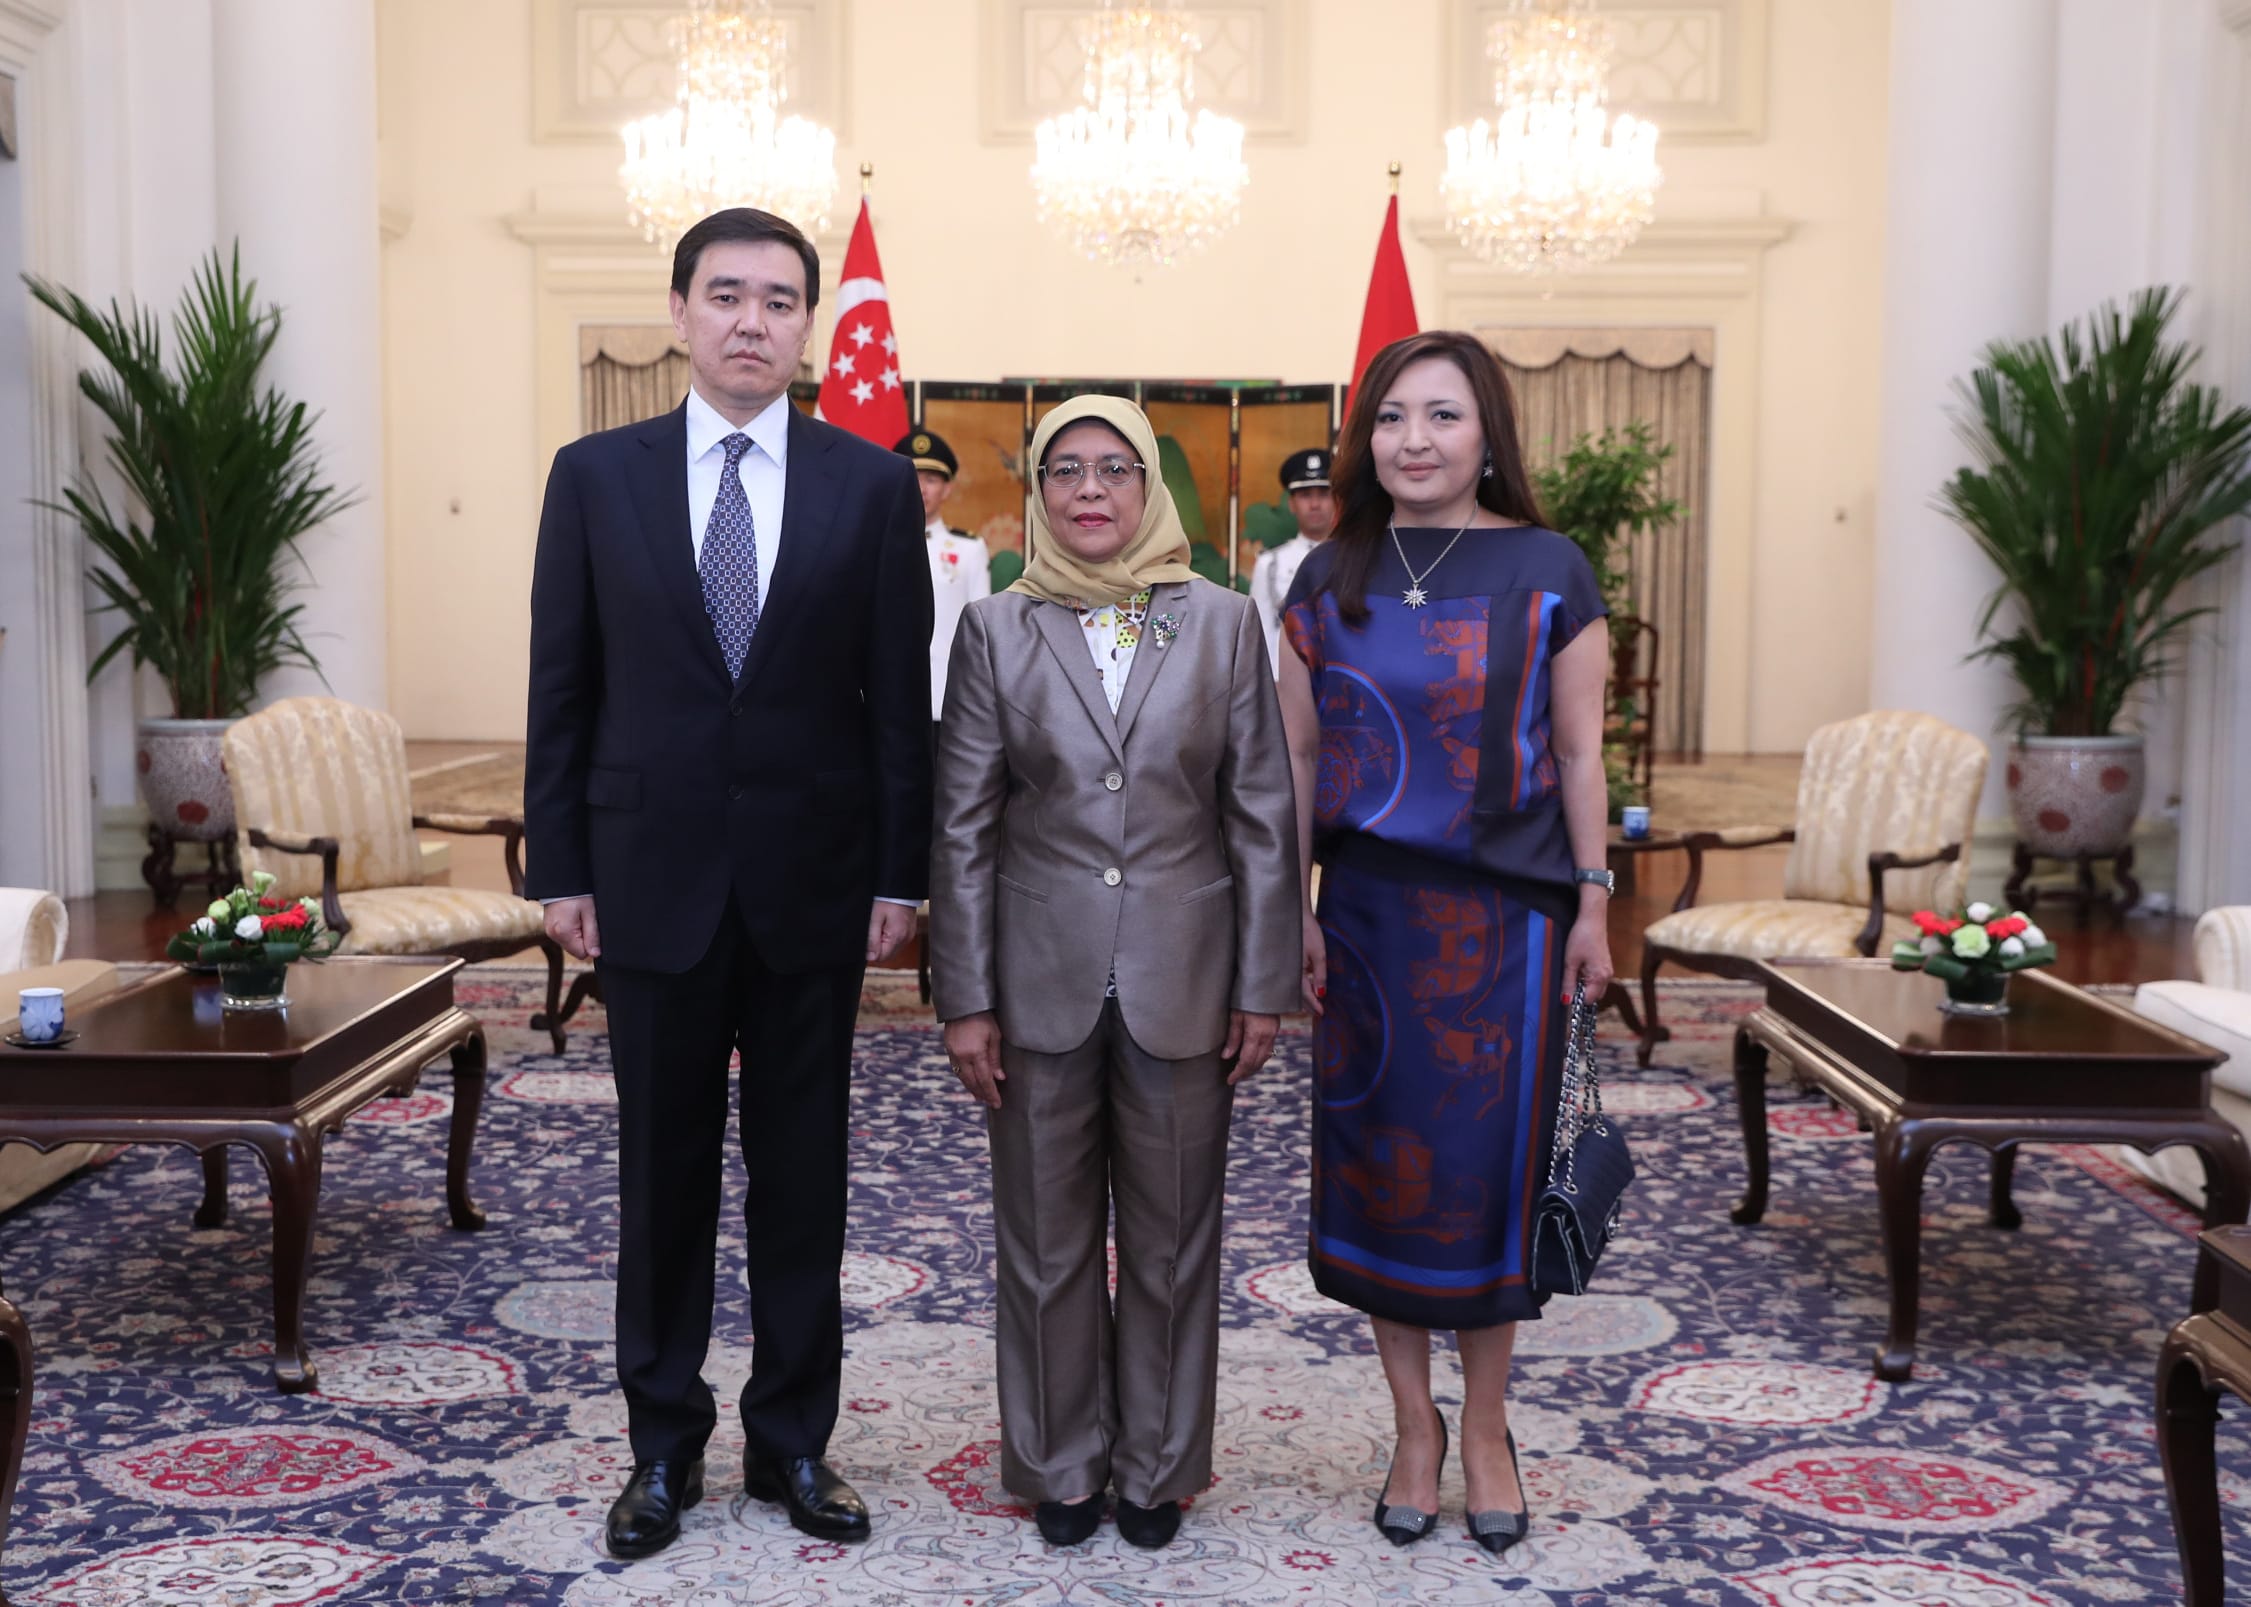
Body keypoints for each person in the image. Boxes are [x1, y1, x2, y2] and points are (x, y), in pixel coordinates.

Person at [524, 206, 932, 1560]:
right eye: (725, 295)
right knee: (662, 1176)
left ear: (806, 326)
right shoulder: (593, 476)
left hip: (815, 881)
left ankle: (794, 1438)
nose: (751, 320)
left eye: (776, 300)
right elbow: (562, 687)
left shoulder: (869, 485)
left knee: (802, 1175)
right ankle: (658, 1444)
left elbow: (894, 707)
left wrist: (899, 873)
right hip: (648, 876)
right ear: (680, 312)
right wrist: (560, 862)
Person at [928, 394, 1300, 1552]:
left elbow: (1262, 815)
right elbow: (963, 825)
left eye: (1114, 470)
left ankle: (1155, 1466)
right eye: (1065, 471)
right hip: (1034, 978)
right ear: (1036, 494)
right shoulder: (996, 627)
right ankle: (1059, 1466)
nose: (1090, 491)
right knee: (1041, 1242)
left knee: (1175, 1240)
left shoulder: (1227, 622)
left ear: (1150, 489)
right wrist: (966, 996)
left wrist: (1262, 981)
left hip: (1185, 975)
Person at [1276, 330, 1613, 1556]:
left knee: (1482, 1184)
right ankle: (1411, 1425)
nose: (1413, 441)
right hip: (1365, 922)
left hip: (1508, 925)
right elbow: (1300, 759)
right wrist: (1292, 907)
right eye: (1391, 419)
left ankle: (1484, 1427)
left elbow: (1579, 751)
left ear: (1486, 435)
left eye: (1442, 417)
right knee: (1380, 1172)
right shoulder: (1326, 575)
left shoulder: (1549, 566)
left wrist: (1593, 898)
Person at [894, 427, 991, 735]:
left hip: (947, 698)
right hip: (887, 696)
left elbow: (982, 631)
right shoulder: (871, 544)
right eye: (913, 476)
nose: (921, 488)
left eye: (931, 480)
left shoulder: (969, 549)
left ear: (947, 489)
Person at [1249, 446, 1339, 670]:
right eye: (1306, 495)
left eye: (1323, 494)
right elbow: (1260, 631)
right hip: (1286, 678)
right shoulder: (1270, 564)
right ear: (1291, 504)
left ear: (1337, 500)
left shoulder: (1354, 559)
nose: (1315, 504)